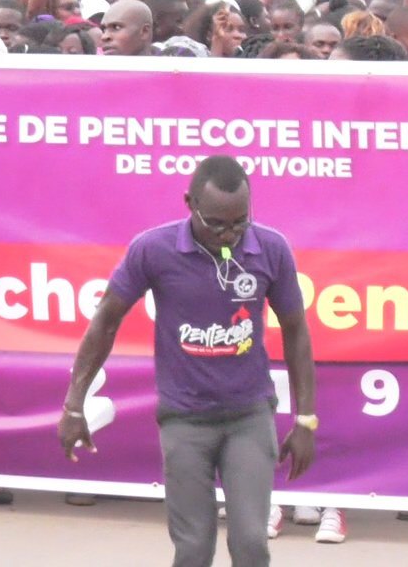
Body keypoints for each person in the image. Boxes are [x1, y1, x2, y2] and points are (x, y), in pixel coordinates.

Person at [59, 156, 317, 567]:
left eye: (239, 222)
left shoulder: (271, 249)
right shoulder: (153, 250)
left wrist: (305, 420)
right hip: (184, 420)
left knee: (251, 543)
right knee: (194, 548)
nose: (228, 234)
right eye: (215, 223)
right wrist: (74, 404)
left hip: (249, 417)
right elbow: (106, 319)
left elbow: (296, 331)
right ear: (189, 202)